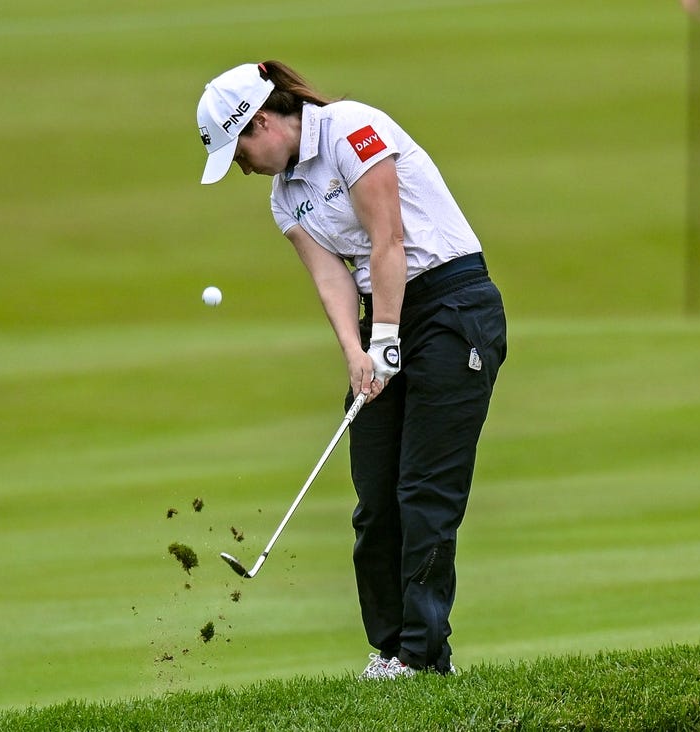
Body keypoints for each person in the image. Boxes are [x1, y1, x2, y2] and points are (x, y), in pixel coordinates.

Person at [195, 61, 507, 679]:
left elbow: (387, 237)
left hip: (453, 305)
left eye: (240, 151)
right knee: (375, 496)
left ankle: (422, 657)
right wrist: (358, 351)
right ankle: (388, 650)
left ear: (261, 121)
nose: (243, 166)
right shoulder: (284, 197)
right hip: (384, 314)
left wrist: (387, 335)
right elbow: (330, 275)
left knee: (423, 491)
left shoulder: (352, 129)